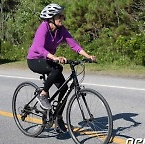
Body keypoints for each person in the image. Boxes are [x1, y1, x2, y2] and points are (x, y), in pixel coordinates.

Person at [27, 4, 96, 132]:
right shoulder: (43, 27)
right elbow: (39, 48)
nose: (62, 18)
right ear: (51, 18)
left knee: (64, 88)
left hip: (48, 60)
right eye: (59, 16)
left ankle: (58, 117)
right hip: (35, 60)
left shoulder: (61, 30)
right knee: (57, 68)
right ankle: (43, 94)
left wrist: (88, 56)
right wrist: (54, 57)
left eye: (62, 15)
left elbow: (74, 45)